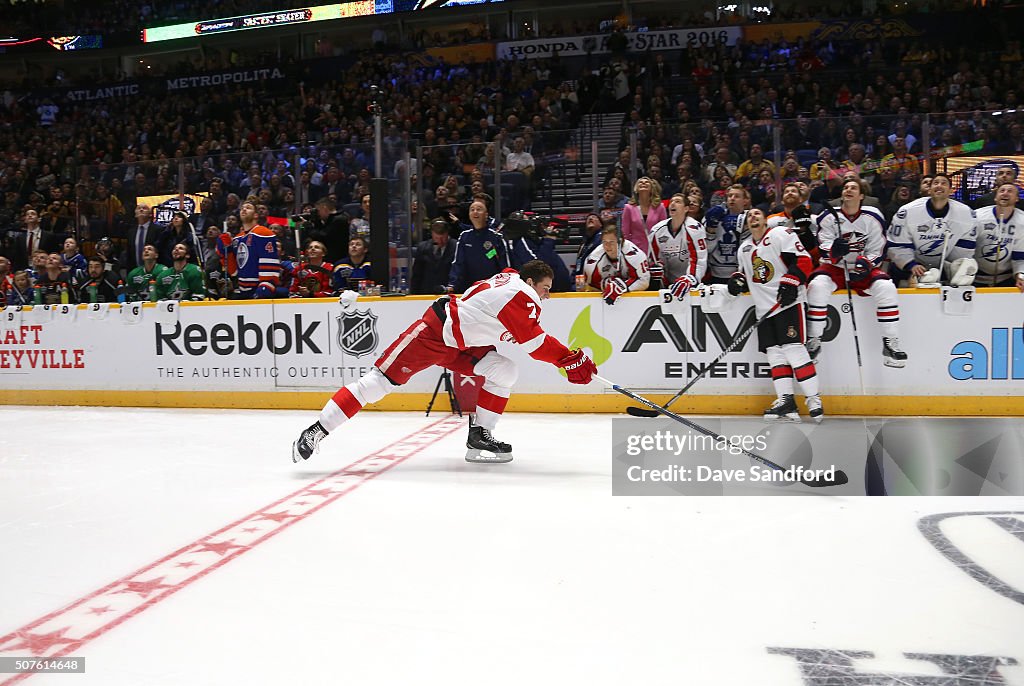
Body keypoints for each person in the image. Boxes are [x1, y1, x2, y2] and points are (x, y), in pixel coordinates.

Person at [291, 260, 598, 464]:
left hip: (461, 343)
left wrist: (567, 358)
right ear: (531, 282)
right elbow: (535, 343)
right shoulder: (522, 293)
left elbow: (523, 329)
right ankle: (317, 429)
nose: (546, 297)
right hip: (434, 333)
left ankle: (479, 436)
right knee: (377, 385)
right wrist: (568, 359)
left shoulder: (512, 281)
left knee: (504, 370)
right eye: (545, 289)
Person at [729, 209, 823, 422]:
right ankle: (786, 401)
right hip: (764, 310)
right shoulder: (744, 248)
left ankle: (814, 399)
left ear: (765, 220)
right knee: (775, 354)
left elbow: (804, 260)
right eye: (749, 215)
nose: (753, 216)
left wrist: (792, 280)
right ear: (746, 224)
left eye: (757, 213)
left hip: (788, 303)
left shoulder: (780, 234)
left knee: (794, 350)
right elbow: (743, 274)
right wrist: (736, 281)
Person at [806, 179, 906, 368]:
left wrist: (866, 263)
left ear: (862, 196)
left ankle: (890, 342)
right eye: (845, 187)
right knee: (817, 287)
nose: (848, 190)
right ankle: (814, 340)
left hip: (863, 268)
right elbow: (822, 243)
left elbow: (878, 247)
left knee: (886, 288)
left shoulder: (873, 217)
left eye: (854, 188)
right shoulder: (828, 216)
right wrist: (833, 250)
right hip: (834, 267)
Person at [887, 174, 977, 286]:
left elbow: (965, 245)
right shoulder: (908, 211)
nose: (939, 185)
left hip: (943, 268)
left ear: (951, 191)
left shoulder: (965, 213)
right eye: (935, 183)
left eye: (943, 183)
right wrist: (911, 264)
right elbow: (897, 243)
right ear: (929, 190)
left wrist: (952, 267)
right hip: (907, 269)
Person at [217, 200, 281, 299]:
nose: (244, 209)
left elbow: (269, 261)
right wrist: (224, 249)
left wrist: (266, 285)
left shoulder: (263, 233)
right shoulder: (237, 238)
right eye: (242, 208)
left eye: (248, 208)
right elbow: (233, 270)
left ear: (255, 215)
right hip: (242, 288)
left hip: (260, 287)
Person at [649, 193, 708, 294]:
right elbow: (654, 258)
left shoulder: (694, 228)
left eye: (678, 202)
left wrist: (690, 278)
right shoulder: (657, 230)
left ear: (686, 209)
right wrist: (656, 268)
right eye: (671, 201)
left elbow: (698, 259)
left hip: (691, 283)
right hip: (667, 283)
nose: (672, 204)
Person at [448, 198, 507, 293]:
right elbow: (458, 263)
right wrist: (452, 284)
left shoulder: (496, 237)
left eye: (479, 209)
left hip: (492, 289)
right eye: (472, 210)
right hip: (469, 288)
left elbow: (504, 263)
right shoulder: (464, 236)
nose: (475, 212)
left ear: (486, 215)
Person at [582, 224, 650, 303]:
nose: (608, 246)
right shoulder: (593, 259)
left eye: (611, 242)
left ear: (620, 242)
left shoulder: (635, 255)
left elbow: (644, 282)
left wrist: (621, 286)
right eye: (604, 242)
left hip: (636, 301)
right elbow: (590, 287)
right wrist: (605, 285)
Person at [973, 182, 1024, 288]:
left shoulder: (1022, 221)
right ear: (995, 197)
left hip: (1006, 279)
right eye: (1002, 191)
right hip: (975, 277)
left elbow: (1020, 256)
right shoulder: (978, 216)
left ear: (1017, 199)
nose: (1005, 193)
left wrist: (1020, 275)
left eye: (1010, 191)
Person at [703, 184, 750, 283]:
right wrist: (711, 229)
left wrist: (742, 230)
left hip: (742, 273)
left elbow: (748, 251)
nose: (732, 198)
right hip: (715, 274)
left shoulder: (750, 218)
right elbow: (707, 249)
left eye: (737, 196)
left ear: (745, 201)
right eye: (730, 196)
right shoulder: (715, 216)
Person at [620, 176, 667, 256]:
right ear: (636, 189)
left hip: (656, 250)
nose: (643, 183)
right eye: (640, 182)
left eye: (647, 182)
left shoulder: (660, 207)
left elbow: (664, 231)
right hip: (635, 250)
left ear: (652, 188)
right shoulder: (628, 208)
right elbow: (625, 233)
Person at [411, 219, 456, 295]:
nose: (440, 241)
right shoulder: (422, 247)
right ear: (432, 234)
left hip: (449, 294)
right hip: (426, 293)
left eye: (443, 238)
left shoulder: (456, 247)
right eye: (436, 238)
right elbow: (417, 275)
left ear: (447, 234)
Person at [573, 212, 604, 281]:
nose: (590, 218)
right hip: (581, 280)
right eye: (588, 218)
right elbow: (579, 261)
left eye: (594, 217)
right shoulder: (584, 242)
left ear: (601, 224)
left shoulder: (603, 238)